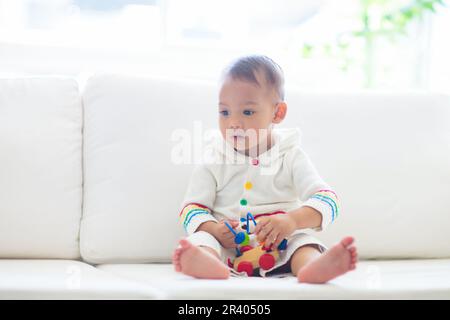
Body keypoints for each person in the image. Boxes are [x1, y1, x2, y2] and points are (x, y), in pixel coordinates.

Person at [172, 55, 357, 283]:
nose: (234, 123)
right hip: (227, 248)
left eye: (247, 112)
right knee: (201, 240)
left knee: (303, 243)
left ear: (277, 113)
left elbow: (329, 201)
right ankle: (205, 263)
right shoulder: (213, 159)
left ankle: (312, 267)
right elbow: (191, 209)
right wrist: (213, 229)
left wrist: (292, 221)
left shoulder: (290, 156)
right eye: (224, 112)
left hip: (280, 247)